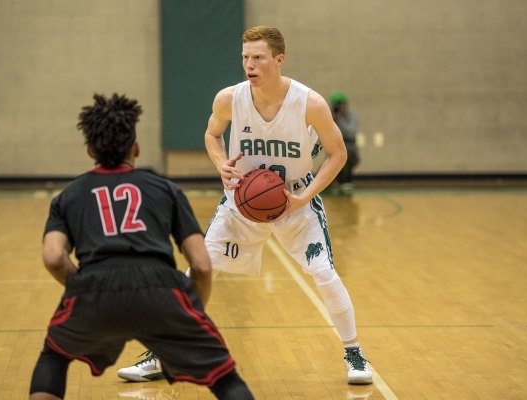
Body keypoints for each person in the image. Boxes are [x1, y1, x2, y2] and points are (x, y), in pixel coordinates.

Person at [118, 26, 372, 385]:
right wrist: (220, 162)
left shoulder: (309, 103)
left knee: (324, 274)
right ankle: (163, 353)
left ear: (278, 60)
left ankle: (354, 353)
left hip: (294, 198)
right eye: (244, 58)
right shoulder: (228, 99)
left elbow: (338, 153)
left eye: (257, 58)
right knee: (201, 270)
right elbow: (211, 134)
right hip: (243, 201)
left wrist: (306, 195)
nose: (249, 65)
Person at [29, 93, 254, 400]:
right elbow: (201, 264)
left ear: (89, 150)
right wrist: (189, 310)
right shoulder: (166, 189)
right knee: (225, 379)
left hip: (94, 287)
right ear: (135, 148)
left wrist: (85, 287)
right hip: (160, 289)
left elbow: (54, 257)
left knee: (53, 357)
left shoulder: (68, 196)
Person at [330, 92, 360, 194]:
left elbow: (350, 133)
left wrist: (340, 118)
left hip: (350, 150)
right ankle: (336, 180)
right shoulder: (329, 117)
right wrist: (331, 118)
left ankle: (346, 180)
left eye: (341, 104)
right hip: (333, 151)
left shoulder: (351, 117)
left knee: (348, 152)